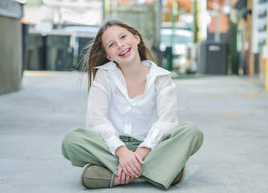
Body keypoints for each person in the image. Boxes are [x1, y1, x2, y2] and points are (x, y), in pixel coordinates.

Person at [61, 20, 204, 190]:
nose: (120, 45)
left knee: (192, 132)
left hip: (151, 147)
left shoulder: (161, 78)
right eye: (112, 44)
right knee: (72, 140)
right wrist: (121, 151)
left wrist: (141, 152)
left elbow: (166, 122)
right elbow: (97, 120)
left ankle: (115, 176)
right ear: (109, 56)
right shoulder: (104, 76)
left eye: (123, 37)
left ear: (137, 39)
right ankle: (161, 171)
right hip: (111, 147)